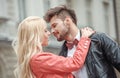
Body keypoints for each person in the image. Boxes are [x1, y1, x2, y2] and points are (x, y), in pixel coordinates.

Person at [44, 5, 120, 78]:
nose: (52, 31)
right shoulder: (62, 54)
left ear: (67, 21)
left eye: (54, 25)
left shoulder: (99, 39)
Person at [12, 16, 95, 78]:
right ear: (36, 35)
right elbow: (74, 63)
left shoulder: (36, 59)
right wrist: (84, 38)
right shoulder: (39, 59)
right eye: (45, 31)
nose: (49, 33)